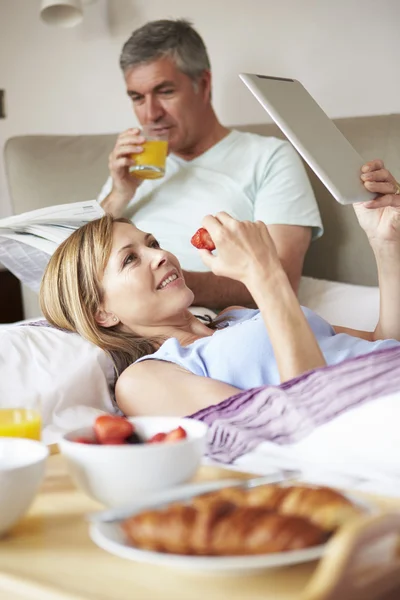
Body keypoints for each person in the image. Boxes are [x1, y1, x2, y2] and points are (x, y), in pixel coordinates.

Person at [40, 159, 400, 418]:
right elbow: (303, 422)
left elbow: (385, 341)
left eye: (152, 243)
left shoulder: (235, 317)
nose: (161, 255)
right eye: (130, 260)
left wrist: (384, 242)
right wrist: (265, 275)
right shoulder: (146, 379)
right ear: (101, 313)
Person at [98, 18, 323, 307]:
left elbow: (281, 283)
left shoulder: (270, 157)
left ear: (203, 85)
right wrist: (120, 193)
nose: (150, 114)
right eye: (137, 98)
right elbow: (81, 262)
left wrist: (162, 282)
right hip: (117, 321)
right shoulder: (130, 172)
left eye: (165, 92)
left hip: (208, 321)